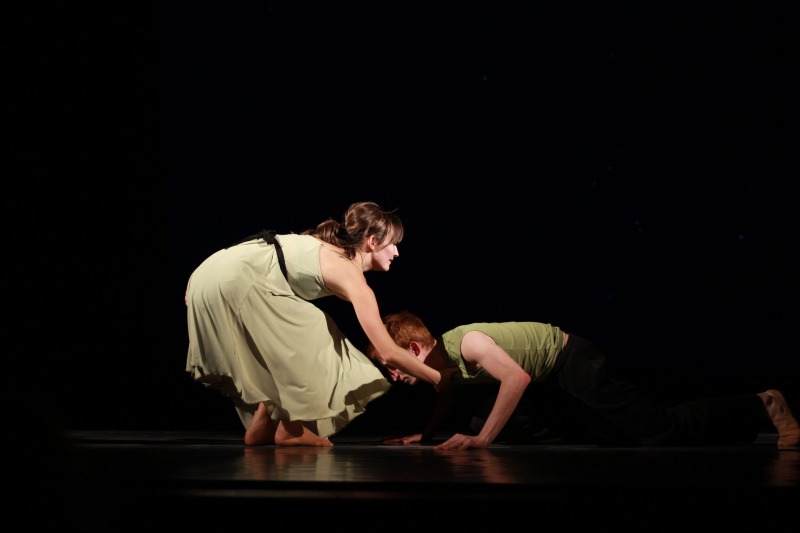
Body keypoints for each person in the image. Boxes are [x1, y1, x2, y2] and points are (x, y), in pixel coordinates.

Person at [184, 202, 447, 447]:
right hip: (237, 279)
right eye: (394, 244)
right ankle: (291, 429)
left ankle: (265, 423)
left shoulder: (324, 247)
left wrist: (204, 283)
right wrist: (439, 378)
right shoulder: (350, 274)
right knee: (316, 329)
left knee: (285, 338)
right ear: (372, 241)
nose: (397, 252)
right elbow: (387, 351)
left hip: (207, 275)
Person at [366, 310, 800, 450]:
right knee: (615, 437)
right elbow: (446, 392)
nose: (393, 374)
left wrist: (481, 441)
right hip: (553, 380)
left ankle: (762, 403)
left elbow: (516, 379)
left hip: (573, 360)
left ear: (415, 349)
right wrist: (426, 436)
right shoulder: (443, 367)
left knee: (660, 431)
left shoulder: (468, 344)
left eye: (393, 365)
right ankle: (738, 429)